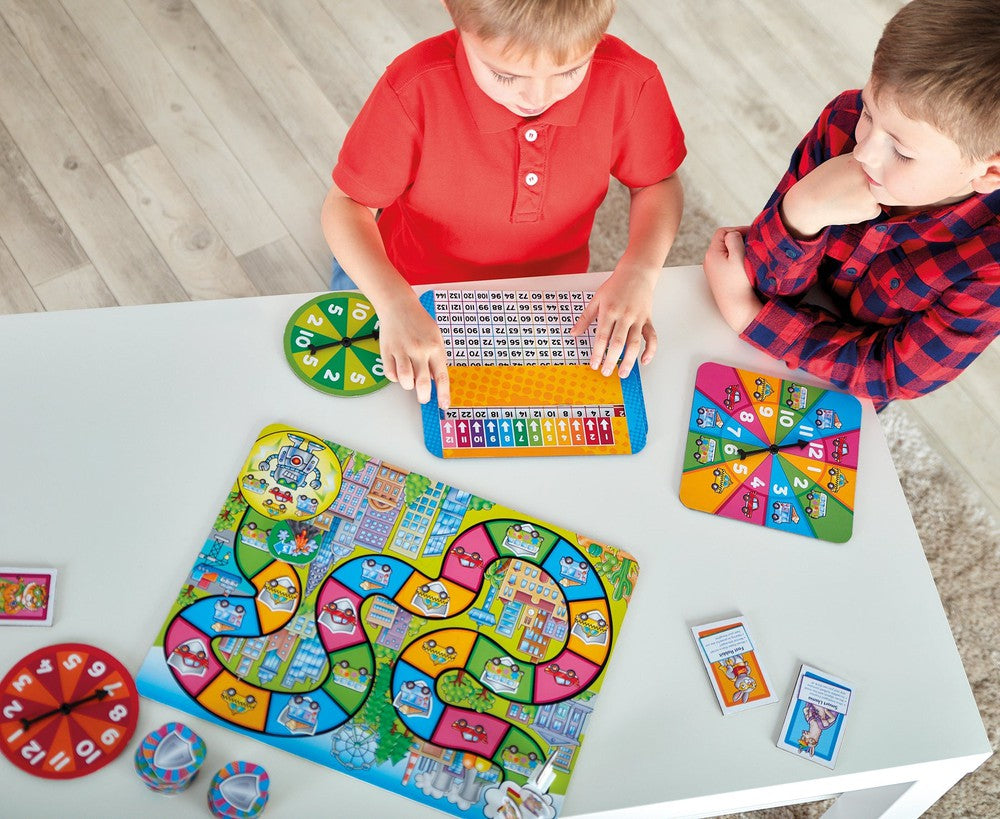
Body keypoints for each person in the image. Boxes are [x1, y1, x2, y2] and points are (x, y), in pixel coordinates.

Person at [321, 0, 686, 408]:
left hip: (545, 302)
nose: (538, 97)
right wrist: (393, 302)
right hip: (409, 288)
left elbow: (657, 183)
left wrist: (640, 269)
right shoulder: (413, 88)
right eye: (505, 75)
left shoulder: (628, 81)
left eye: (569, 71)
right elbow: (348, 204)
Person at [702, 0, 1000, 411]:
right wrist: (802, 210)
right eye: (869, 113)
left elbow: (893, 373)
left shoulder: (991, 261)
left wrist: (748, 316)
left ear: (990, 173)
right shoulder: (844, 120)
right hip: (769, 333)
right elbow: (761, 276)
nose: (863, 152)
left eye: (901, 152)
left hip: (842, 389)